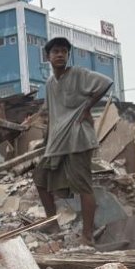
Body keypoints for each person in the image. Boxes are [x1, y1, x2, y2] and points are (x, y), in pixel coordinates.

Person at [34, 36, 113, 247]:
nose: (60, 55)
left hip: (78, 138)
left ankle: (87, 236)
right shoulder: (50, 83)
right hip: (57, 141)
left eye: (64, 51)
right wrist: (46, 140)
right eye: (56, 51)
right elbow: (52, 113)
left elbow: (105, 83)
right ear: (47, 57)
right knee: (40, 179)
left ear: (68, 56)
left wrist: (87, 107)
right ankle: (53, 224)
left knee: (83, 186)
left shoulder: (78, 74)